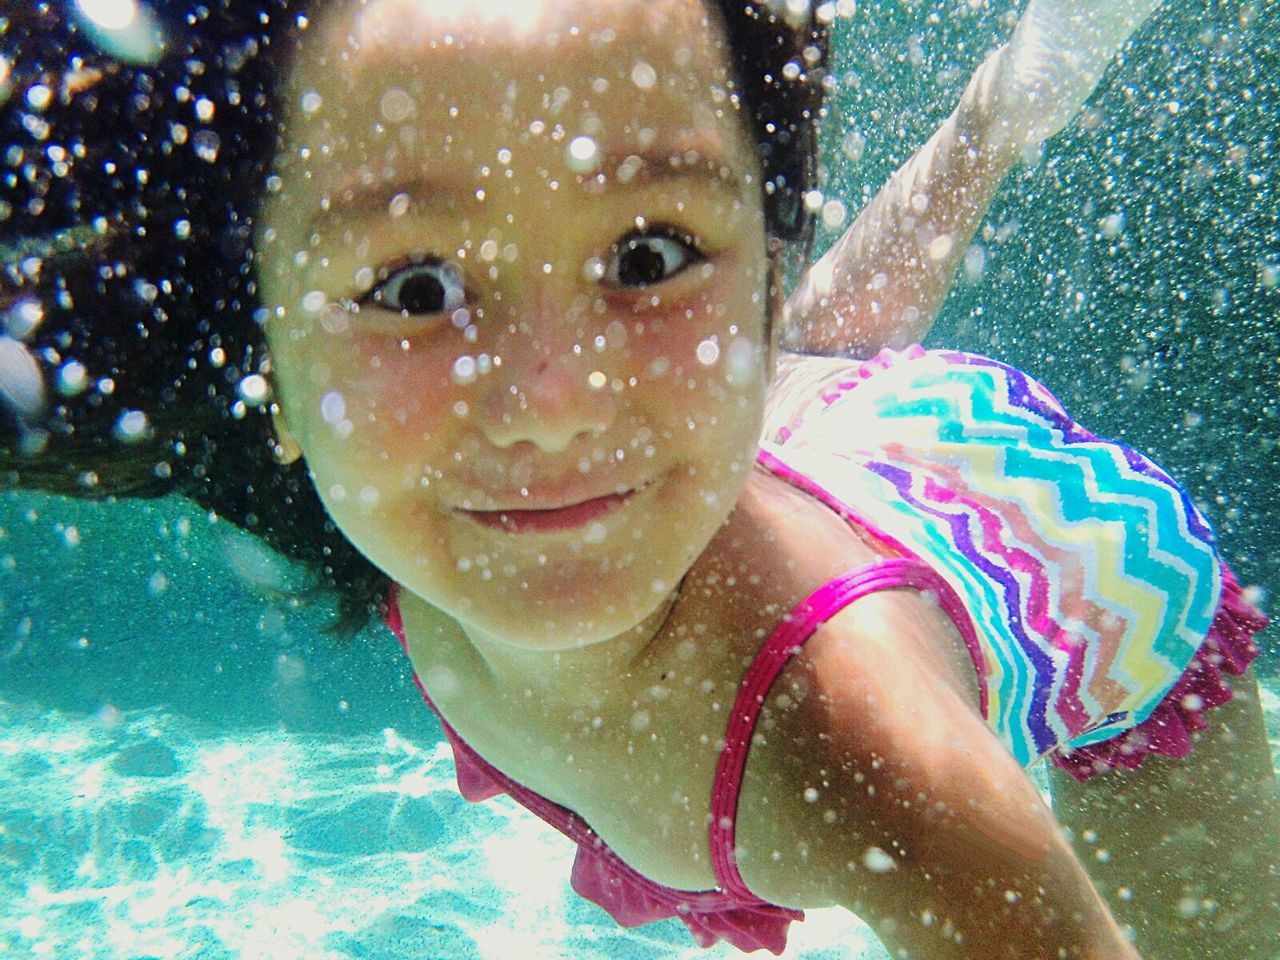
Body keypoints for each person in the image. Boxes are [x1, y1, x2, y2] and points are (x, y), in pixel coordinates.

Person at [2, 1, 1275, 958]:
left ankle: (999, 115)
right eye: (414, 289)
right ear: (264, 355)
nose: (550, 407)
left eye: (650, 251)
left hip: (1081, 576)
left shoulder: (873, 758)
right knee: (807, 365)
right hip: (815, 426)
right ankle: (999, 108)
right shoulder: (460, 501)